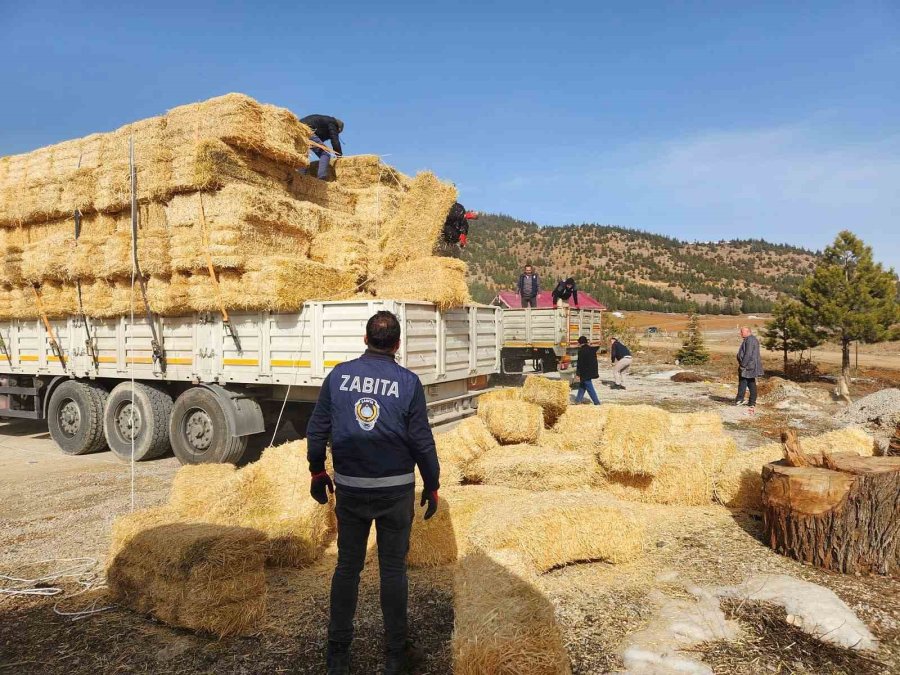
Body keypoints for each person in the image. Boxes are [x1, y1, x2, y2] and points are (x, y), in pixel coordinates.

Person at [306, 311, 440, 675]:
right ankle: (396, 655)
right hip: (395, 490)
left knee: (347, 567)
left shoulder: (338, 376)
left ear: (365, 340)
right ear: (397, 344)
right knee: (393, 570)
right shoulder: (408, 382)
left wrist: (317, 471)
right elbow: (421, 441)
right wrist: (433, 483)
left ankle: (338, 655)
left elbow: (317, 430)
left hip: (351, 488)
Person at [300, 114, 344, 180]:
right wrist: (339, 154)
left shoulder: (325, 121)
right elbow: (335, 140)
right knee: (325, 154)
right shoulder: (333, 123)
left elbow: (318, 139)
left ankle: (299, 177)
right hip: (307, 130)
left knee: (303, 155)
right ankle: (321, 178)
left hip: (298, 129)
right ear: (338, 128)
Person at [735, 326, 764, 413]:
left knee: (743, 382)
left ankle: (740, 400)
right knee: (751, 383)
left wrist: (743, 365)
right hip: (749, 365)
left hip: (748, 366)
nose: (740, 333)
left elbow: (748, 354)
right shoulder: (749, 339)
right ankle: (751, 402)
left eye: (742, 332)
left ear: (748, 332)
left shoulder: (750, 340)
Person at [574, 336, 601, 405]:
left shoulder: (581, 351)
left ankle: (597, 402)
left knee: (589, 386)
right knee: (582, 385)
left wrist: (578, 374)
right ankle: (578, 400)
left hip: (585, 371)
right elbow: (597, 347)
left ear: (580, 342)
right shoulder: (591, 349)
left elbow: (580, 363)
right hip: (592, 370)